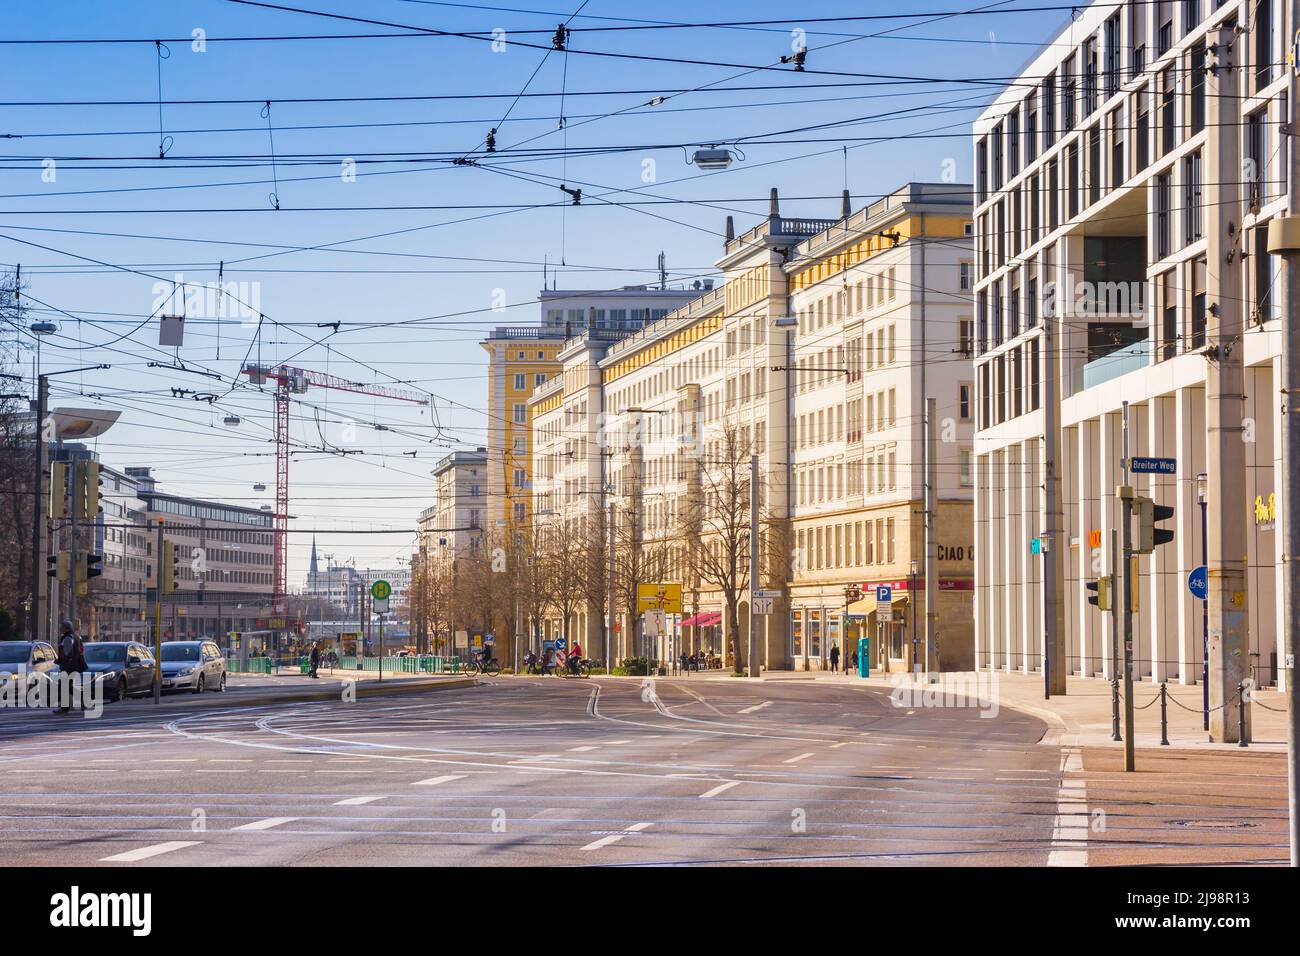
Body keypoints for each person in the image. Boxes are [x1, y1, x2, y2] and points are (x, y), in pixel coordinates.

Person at [55, 620, 87, 713]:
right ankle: (82, 703)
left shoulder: (67, 638)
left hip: (68, 666)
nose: (60, 629)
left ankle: (65, 708)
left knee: (64, 686)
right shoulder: (76, 637)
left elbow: (67, 653)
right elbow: (80, 650)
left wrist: (63, 662)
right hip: (74, 665)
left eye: (62, 627)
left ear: (66, 628)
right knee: (69, 687)